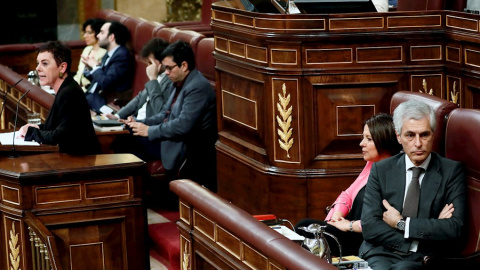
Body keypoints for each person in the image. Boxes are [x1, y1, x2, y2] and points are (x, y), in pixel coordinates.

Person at [359, 100, 467, 270]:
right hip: (380, 252)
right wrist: (424, 232)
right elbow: (370, 226)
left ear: (433, 134)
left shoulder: (452, 171)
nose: (418, 143)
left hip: (423, 259)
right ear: (398, 136)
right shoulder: (381, 169)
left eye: (424, 135)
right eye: (410, 135)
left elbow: (454, 228)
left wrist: (401, 223)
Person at [295, 113, 402, 256]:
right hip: (345, 228)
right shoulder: (372, 164)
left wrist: (349, 226)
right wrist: (337, 216)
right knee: (304, 228)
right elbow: (347, 195)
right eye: (363, 137)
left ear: (384, 141)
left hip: (363, 239)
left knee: (304, 228)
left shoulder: (394, 174)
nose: (361, 143)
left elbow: (381, 223)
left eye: (368, 139)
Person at [125, 40, 217, 191]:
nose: (166, 72)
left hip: (184, 146)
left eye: (169, 68)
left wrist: (149, 130)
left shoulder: (197, 87)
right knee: (126, 134)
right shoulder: (180, 82)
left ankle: (146, 193)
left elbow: (182, 125)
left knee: (127, 143)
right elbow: (165, 114)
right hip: (170, 138)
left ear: (184, 65)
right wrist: (139, 122)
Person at [17, 41, 101, 155]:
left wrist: (31, 132)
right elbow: (60, 127)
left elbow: (61, 136)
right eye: (38, 63)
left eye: (44, 63)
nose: (38, 68)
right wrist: (38, 127)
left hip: (80, 163)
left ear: (62, 67)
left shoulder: (70, 92)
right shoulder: (66, 88)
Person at [105, 37, 172, 121]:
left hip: (146, 126)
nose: (148, 67)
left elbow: (160, 111)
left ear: (163, 61)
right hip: (135, 120)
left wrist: (153, 79)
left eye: (151, 63)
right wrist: (117, 116)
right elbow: (140, 97)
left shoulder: (170, 80)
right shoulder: (157, 75)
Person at [82, 20, 133, 113]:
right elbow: (99, 79)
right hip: (92, 97)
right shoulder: (109, 53)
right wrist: (90, 68)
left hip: (105, 102)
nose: (98, 36)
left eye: (102, 32)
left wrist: (95, 67)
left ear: (111, 37)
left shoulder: (121, 55)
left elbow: (106, 83)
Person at [73, 18, 107, 93]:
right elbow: (79, 74)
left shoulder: (104, 53)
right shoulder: (87, 49)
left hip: (89, 91)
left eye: (89, 33)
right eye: (85, 32)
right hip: (75, 88)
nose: (85, 36)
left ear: (98, 33)